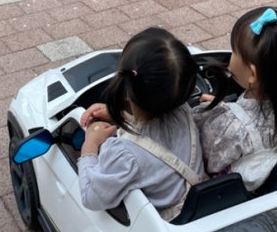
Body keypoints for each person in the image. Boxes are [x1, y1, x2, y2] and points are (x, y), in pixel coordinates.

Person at [193, 2, 277, 191]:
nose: (231, 56)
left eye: (234, 51)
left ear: (252, 74)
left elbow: (210, 161)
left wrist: (218, 113)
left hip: (236, 197)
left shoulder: (230, 127)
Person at [78, 27, 204, 219]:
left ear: (126, 86)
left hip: (162, 227)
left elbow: (91, 198)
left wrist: (90, 145)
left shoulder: (123, 154)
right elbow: (154, 135)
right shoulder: (184, 112)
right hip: (197, 207)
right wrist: (121, 116)